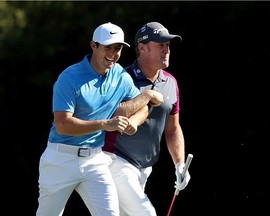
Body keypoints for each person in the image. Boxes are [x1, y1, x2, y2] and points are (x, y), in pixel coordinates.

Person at [36, 22, 163, 216]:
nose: (113, 53)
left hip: (95, 161)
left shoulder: (120, 76)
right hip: (60, 159)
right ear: (93, 45)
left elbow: (142, 107)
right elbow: (63, 125)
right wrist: (106, 124)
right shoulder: (69, 77)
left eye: (118, 48)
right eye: (107, 47)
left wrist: (135, 120)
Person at [103, 21, 191, 216]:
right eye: (161, 45)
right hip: (116, 160)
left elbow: (172, 128)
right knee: (146, 213)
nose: (166, 50)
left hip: (145, 168)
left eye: (168, 45)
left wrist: (179, 164)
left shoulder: (170, 82)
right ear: (142, 48)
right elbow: (108, 115)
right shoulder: (122, 78)